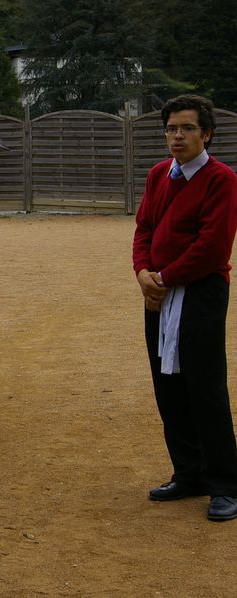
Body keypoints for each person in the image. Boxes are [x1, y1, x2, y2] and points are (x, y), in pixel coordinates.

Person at [133, 93, 237, 522]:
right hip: (157, 293)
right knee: (168, 386)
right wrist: (142, 272)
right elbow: (144, 227)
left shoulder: (222, 179)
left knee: (204, 386)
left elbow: (212, 246)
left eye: (187, 128)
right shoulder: (160, 174)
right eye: (172, 128)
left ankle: (225, 484)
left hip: (199, 293)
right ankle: (188, 472)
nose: (177, 136)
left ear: (206, 134)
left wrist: (165, 277)